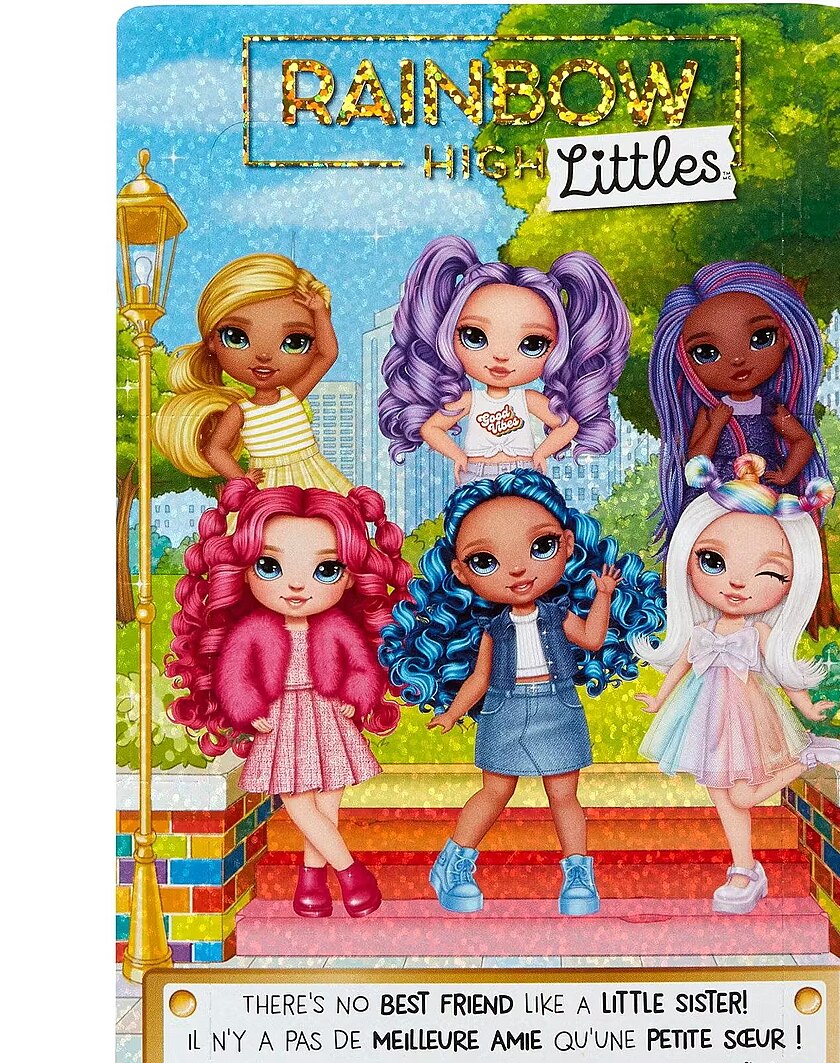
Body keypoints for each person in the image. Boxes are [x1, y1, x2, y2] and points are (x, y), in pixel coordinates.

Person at [380, 470, 664, 916]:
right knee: (495, 791)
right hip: (505, 709)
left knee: (564, 794)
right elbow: (479, 679)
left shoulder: (558, 615)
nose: (516, 570)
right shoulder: (492, 628)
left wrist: (604, 595)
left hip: (558, 705)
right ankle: (453, 862)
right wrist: (453, 712)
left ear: (567, 545)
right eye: (485, 560)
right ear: (460, 572)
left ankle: (577, 874)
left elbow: (592, 640)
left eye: (541, 546)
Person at [166, 480, 411, 918]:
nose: (296, 585)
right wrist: (247, 709)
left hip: (328, 714)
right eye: (269, 566)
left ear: (350, 576)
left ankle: (310, 884)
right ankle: (352, 874)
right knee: (297, 801)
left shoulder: (338, 626)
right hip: (279, 719)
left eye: (326, 570)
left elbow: (361, 667)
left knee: (327, 802)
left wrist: (356, 697)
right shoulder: (252, 630)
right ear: (244, 570)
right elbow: (235, 675)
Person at [635, 455, 840, 915]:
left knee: (744, 793)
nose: (735, 583)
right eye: (712, 561)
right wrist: (658, 699)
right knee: (722, 795)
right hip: (703, 718)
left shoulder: (760, 631)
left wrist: (808, 708)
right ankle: (744, 868)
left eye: (769, 573)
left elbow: (783, 673)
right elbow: (681, 667)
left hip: (748, 717)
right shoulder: (703, 629)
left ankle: (807, 755)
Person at [648, 261, 840, 633]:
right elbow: (695, 459)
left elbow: (802, 441)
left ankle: (767, 622)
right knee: (719, 555)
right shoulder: (709, 410)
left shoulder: (772, 407)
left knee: (767, 555)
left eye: (761, 338)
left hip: (765, 490)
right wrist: (716, 424)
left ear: (787, 338)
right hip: (717, 492)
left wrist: (787, 474)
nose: (737, 360)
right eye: (706, 352)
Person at [378, 235, 630, 484]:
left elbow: (568, 426)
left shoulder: (528, 399)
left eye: (532, 344)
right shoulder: (469, 400)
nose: (501, 356)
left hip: (523, 471)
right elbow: (431, 428)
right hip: (475, 472)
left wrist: (541, 452)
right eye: (474, 337)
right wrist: (457, 455)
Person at [154, 253, 353, 492]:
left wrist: (320, 312)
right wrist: (242, 481)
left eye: (294, 342)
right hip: (266, 482)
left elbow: (328, 354)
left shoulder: (291, 396)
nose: (264, 356)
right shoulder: (241, 411)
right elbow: (214, 450)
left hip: (313, 474)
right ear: (212, 341)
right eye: (236, 337)